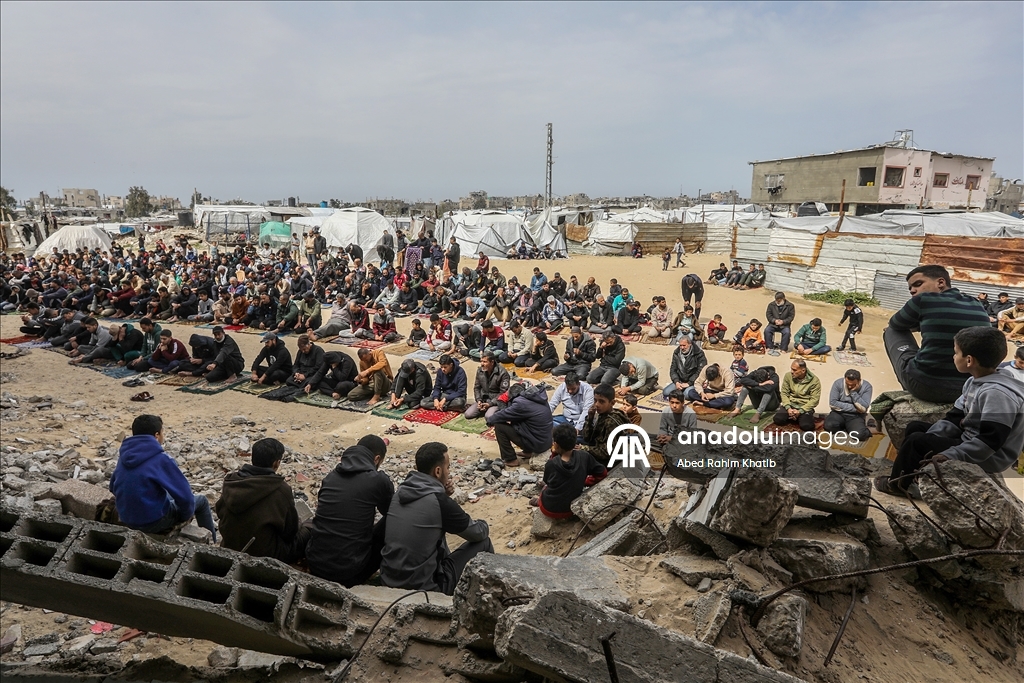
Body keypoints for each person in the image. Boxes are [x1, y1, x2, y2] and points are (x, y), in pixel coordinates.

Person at [877, 326, 1024, 497]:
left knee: (916, 442)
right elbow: (954, 418)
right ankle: (916, 478)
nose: (953, 356)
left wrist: (950, 454)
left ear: (969, 360)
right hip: (971, 440)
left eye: (956, 353)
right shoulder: (974, 382)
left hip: (990, 455)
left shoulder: (997, 394)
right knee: (915, 428)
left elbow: (990, 441)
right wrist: (933, 437)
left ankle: (897, 485)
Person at [380, 442, 493, 595]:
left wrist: (442, 494)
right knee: (484, 543)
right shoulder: (440, 503)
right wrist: (484, 524)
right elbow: (477, 533)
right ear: (438, 471)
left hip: (389, 580)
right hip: (425, 587)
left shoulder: (400, 493)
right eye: (448, 467)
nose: (449, 472)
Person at [883, 265, 991, 403]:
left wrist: (916, 324)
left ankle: (907, 386)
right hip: (967, 388)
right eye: (910, 288)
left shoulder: (923, 300)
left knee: (890, 330)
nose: (913, 290)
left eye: (918, 284)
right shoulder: (976, 303)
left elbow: (895, 323)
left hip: (926, 387)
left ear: (941, 282)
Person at [109, 415, 217, 541]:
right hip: (152, 522)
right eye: (162, 432)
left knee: (165, 493)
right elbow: (185, 497)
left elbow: (112, 487)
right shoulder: (160, 459)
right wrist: (184, 516)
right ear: (156, 435)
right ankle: (213, 544)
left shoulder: (125, 455)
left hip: (126, 517)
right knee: (202, 501)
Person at [308, 436, 394, 587]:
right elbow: (391, 512)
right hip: (350, 573)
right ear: (377, 459)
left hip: (316, 566)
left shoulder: (330, 477)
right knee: (393, 519)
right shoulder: (378, 480)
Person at [216, 438, 308, 563]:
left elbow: (219, 511)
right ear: (276, 463)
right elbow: (290, 533)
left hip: (229, 547)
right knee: (310, 528)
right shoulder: (280, 489)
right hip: (265, 556)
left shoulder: (231, 481)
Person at [533, 424, 608, 519]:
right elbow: (602, 473)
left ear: (555, 444)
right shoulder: (584, 456)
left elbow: (548, 481)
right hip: (571, 509)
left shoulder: (551, 464)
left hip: (549, 510)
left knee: (545, 488)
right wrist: (585, 481)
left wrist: (554, 454)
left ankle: (539, 501)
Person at [486, 383, 554, 466]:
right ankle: (528, 452)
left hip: (537, 444)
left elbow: (502, 415)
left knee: (499, 426)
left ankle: (510, 459)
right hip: (545, 441)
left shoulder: (520, 403)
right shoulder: (537, 397)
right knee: (521, 420)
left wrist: (490, 420)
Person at [580, 383, 629, 466]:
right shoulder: (603, 414)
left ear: (612, 403)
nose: (597, 405)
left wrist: (584, 448)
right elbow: (587, 437)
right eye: (595, 400)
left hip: (609, 460)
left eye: (601, 401)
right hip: (599, 447)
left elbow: (607, 453)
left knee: (577, 457)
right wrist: (590, 418)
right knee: (571, 441)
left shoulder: (611, 422)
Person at [824, 369, 873, 441]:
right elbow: (833, 403)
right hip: (839, 413)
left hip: (856, 416)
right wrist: (855, 409)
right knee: (829, 426)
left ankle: (855, 427)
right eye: (848, 384)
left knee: (859, 435)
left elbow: (864, 407)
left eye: (853, 385)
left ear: (859, 381)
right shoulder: (838, 383)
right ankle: (848, 427)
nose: (850, 387)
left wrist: (853, 393)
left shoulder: (867, 387)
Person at [774, 359, 821, 431]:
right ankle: (793, 416)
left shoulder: (814, 381)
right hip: (790, 404)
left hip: (804, 407)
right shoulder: (788, 376)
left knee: (807, 426)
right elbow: (784, 393)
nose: (792, 372)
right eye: (791, 369)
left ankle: (797, 417)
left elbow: (814, 400)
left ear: (803, 370)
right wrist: (788, 407)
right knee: (778, 420)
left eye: (794, 370)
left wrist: (800, 411)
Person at [465, 352, 510, 420]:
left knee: (488, 417)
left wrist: (490, 404)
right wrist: (479, 400)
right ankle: (484, 408)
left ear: (492, 362)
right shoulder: (480, 371)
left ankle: (493, 410)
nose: (482, 364)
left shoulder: (502, 373)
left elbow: (503, 393)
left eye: (485, 362)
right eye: (481, 361)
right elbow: (477, 387)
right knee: (468, 414)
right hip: (483, 399)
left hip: (495, 401)